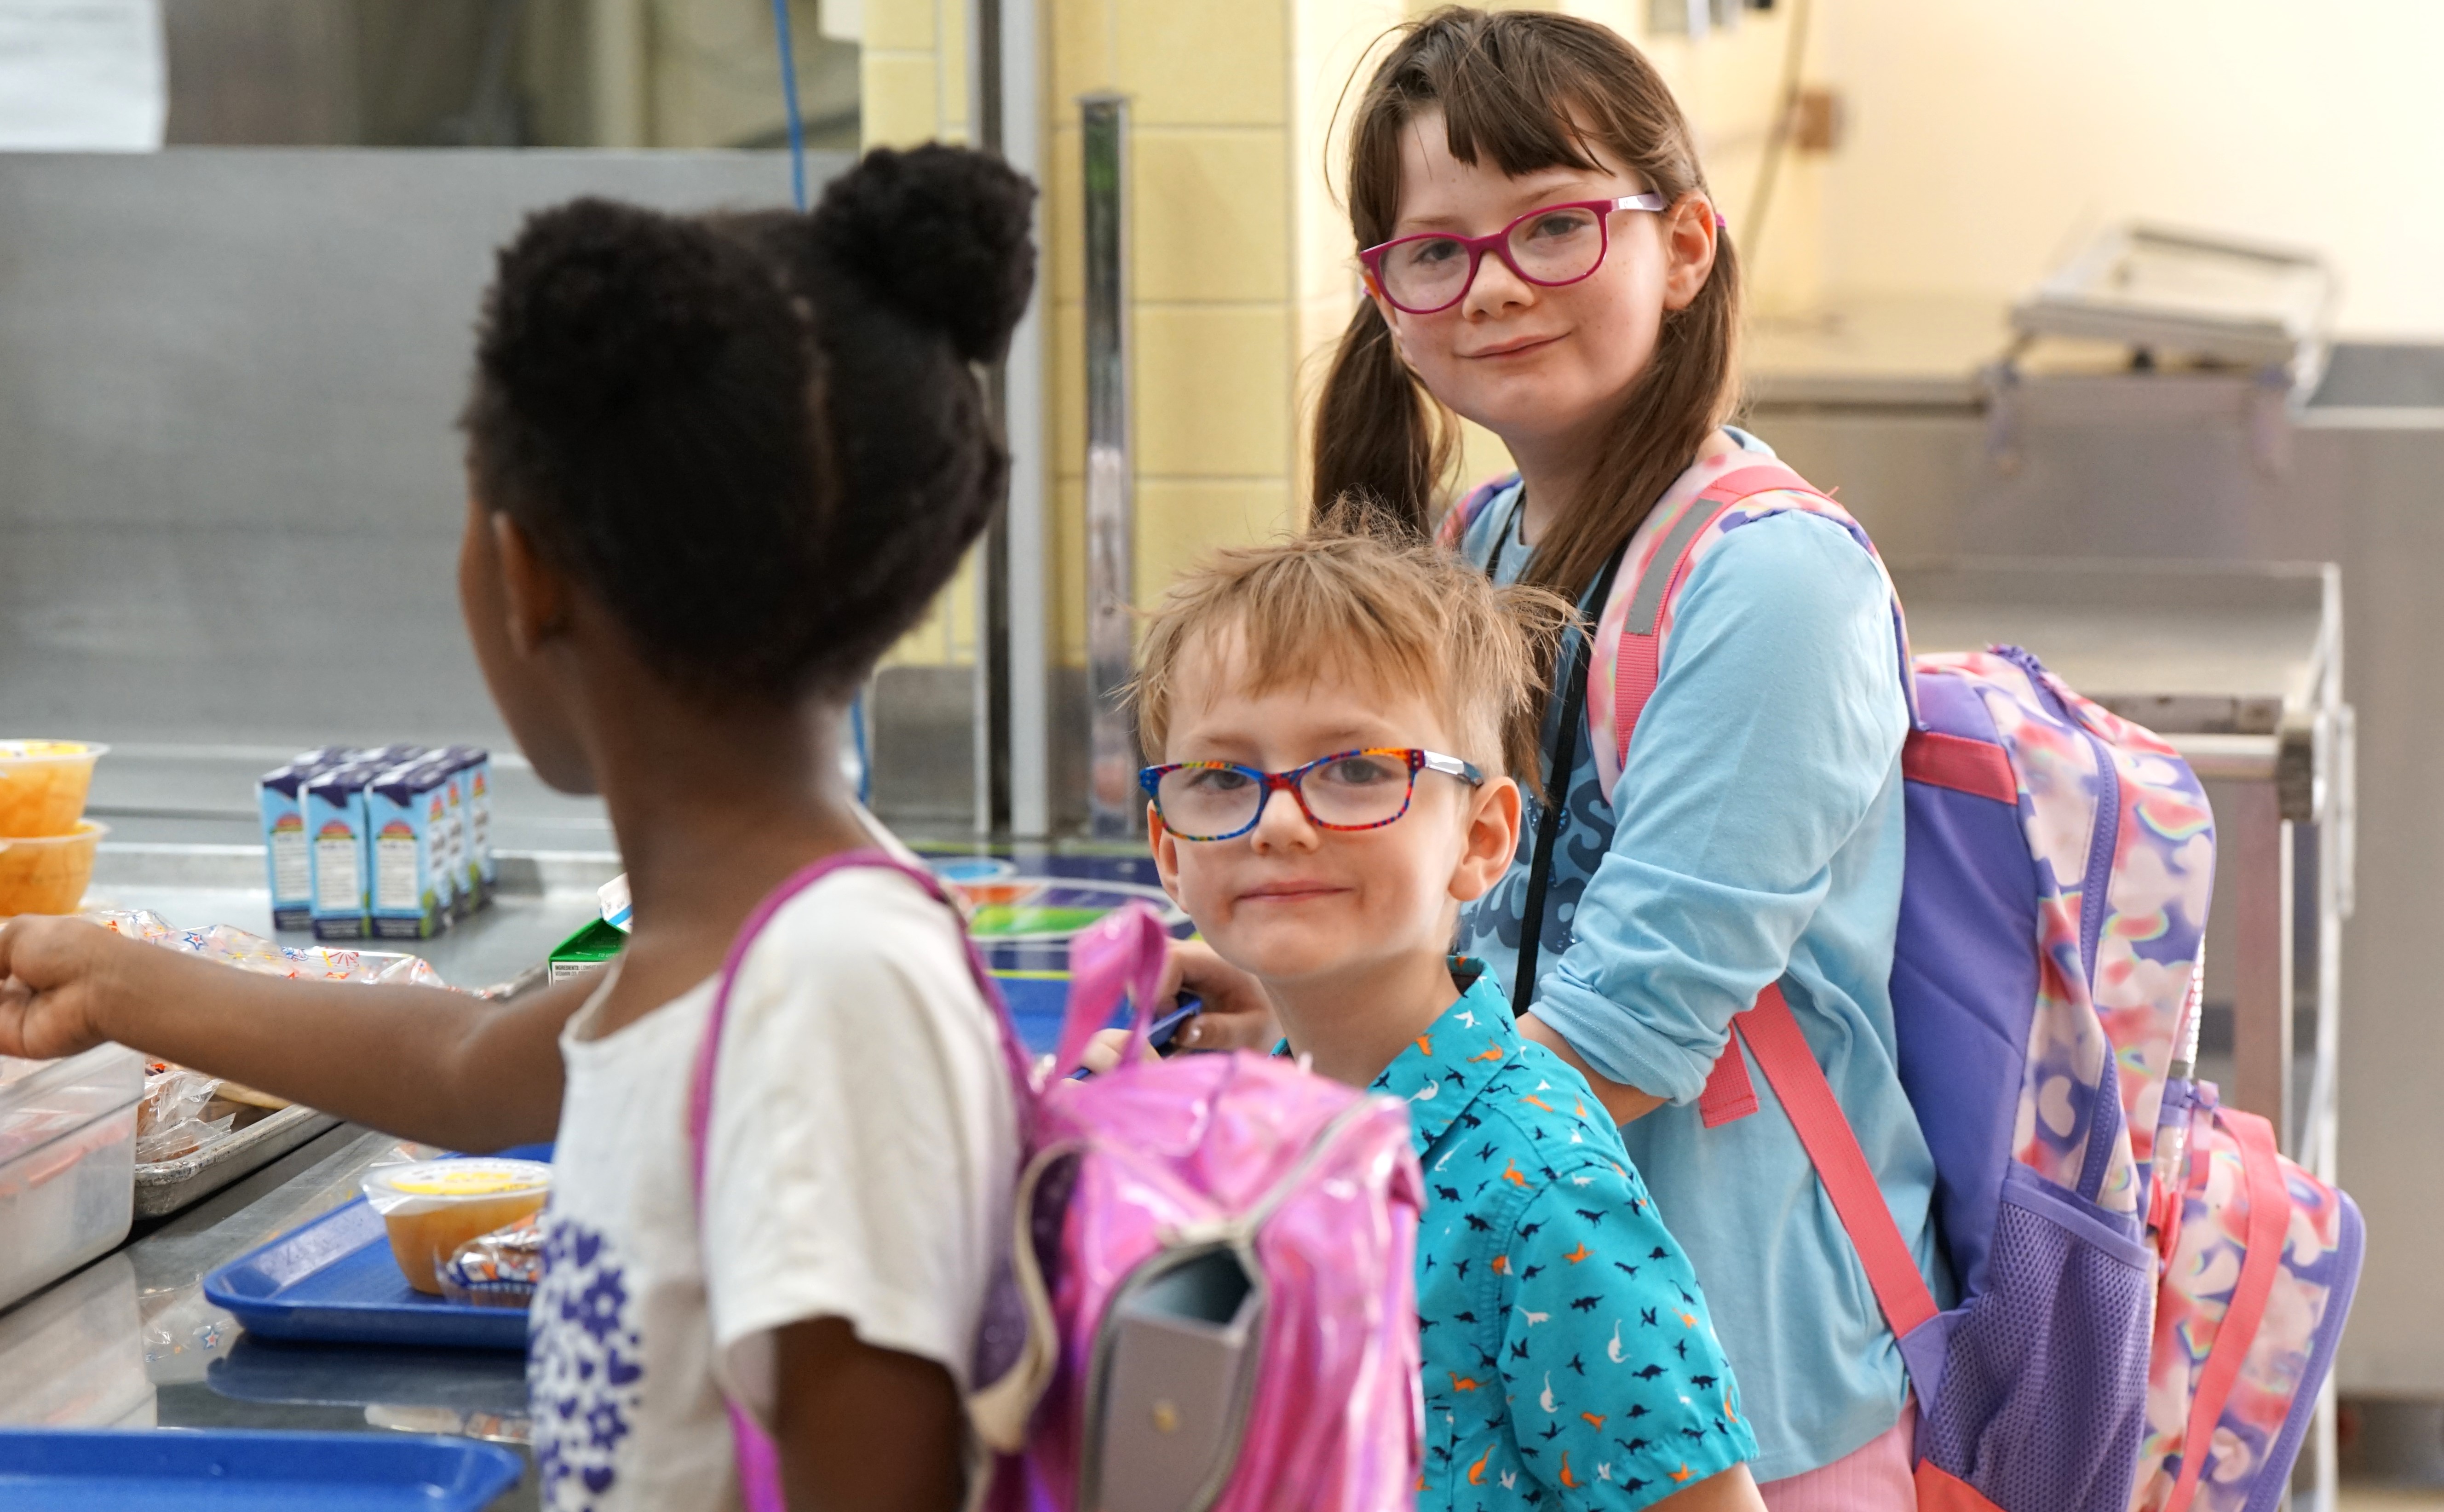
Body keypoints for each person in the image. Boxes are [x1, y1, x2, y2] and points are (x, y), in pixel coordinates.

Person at [0, 145, 1035, 1512]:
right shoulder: (751, 943)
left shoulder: (827, 995)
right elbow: (468, 1059)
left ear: (526, 573)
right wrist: (118, 981)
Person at [1178, 10, 1948, 1503]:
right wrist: (1291, 1003)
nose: (1495, 288)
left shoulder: (1771, 581)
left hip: (1739, 1389)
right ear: (1385, 294)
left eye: (1554, 228)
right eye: (1437, 251)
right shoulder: (1482, 540)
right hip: (1515, 1365)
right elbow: (1470, 932)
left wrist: (1310, 1172)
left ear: (1682, 243)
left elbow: (1630, 1018)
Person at [1127, 529, 1764, 1512]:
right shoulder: (1263, 1130)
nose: (1280, 820)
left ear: (1479, 839)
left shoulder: (1533, 1185)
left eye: (1354, 770)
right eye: (1220, 778)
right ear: (1170, 853)